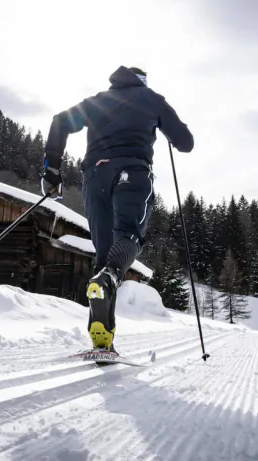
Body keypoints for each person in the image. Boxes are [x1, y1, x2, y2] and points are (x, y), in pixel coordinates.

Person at [41, 65, 193, 352]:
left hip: (95, 176)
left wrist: (52, 170)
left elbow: (60, 121)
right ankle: (110, 276)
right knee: (129, 235)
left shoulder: (97, 101)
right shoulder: (151, 99)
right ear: (142, 81)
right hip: (132, 171)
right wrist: (170, 132)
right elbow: (186, 143)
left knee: (104, 256)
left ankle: (103, 340)